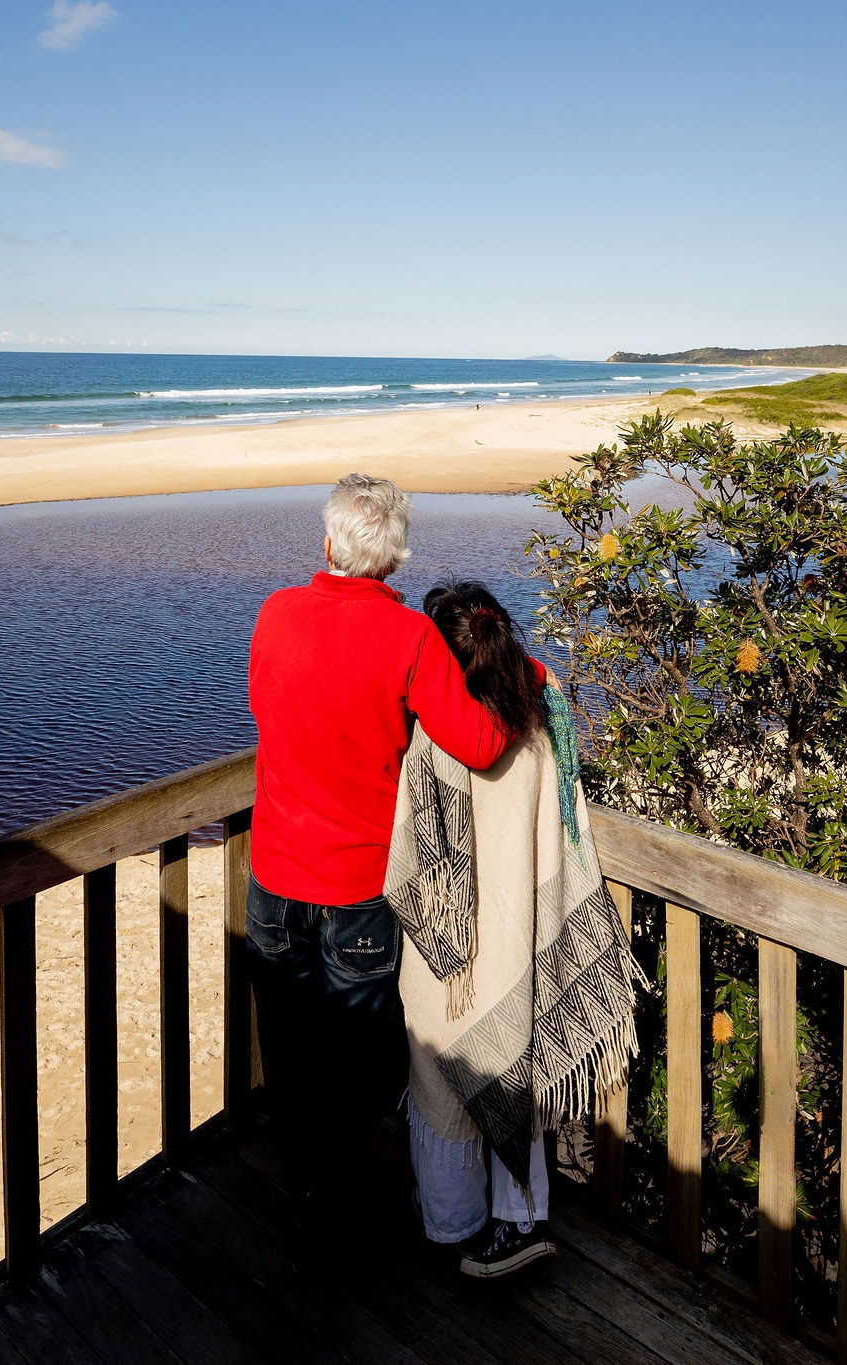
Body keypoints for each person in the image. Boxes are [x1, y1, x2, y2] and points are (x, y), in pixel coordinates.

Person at [244, 474, 517, 1237]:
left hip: (273, 878)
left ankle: (306, 1191)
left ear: (327, 543)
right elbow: (483, 742)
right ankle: (347, 1205)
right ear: (394, 560)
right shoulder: (408, 638)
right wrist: (521, 674)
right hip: (357, 892)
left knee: (291, 1048)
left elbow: (264, 701)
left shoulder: (276, 613)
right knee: (359, 1063)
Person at [386, 581, 644, 1279]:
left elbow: (410, 852)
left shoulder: (433, 730)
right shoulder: (540, 713)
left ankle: (454, 1221)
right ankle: (519, 1216)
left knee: (443, 1069)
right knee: (514, 1073)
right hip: (517, 932)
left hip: (452, 951)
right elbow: (566, 833)